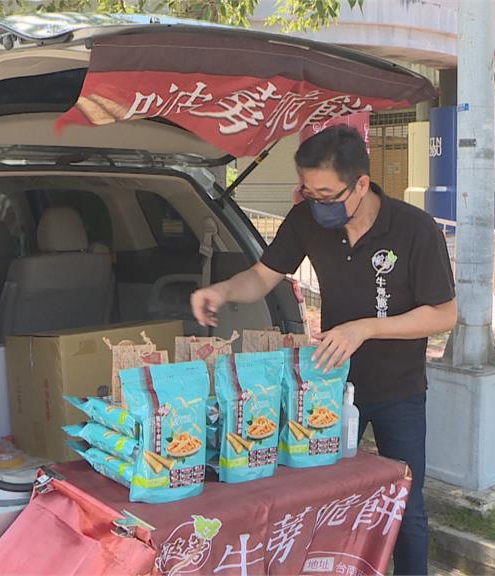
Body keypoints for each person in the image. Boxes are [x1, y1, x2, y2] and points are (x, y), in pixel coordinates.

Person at [191, 125, 457, 575]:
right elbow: (262, 276)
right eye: (308, 191)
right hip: (327, 386)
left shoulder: (415, 229)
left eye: (328, 194)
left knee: (406, 505)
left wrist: (364, 329)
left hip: (399, 389)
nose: (317, 203)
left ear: (361, 185)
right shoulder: (307, 219)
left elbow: (444, 314)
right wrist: (222, 290)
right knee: (328, 499)